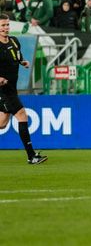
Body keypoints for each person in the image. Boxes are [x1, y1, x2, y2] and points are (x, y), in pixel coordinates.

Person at [0, 14, 47, 164]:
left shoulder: (14, 41)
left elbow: (17, 55)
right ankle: (31, 156)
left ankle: (31, 156)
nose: (6, 28)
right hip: (2, 90)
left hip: (11, 88)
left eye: (7, 25)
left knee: (2, 123)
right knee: (22, 115)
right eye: (3, 25)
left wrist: (23, 62)